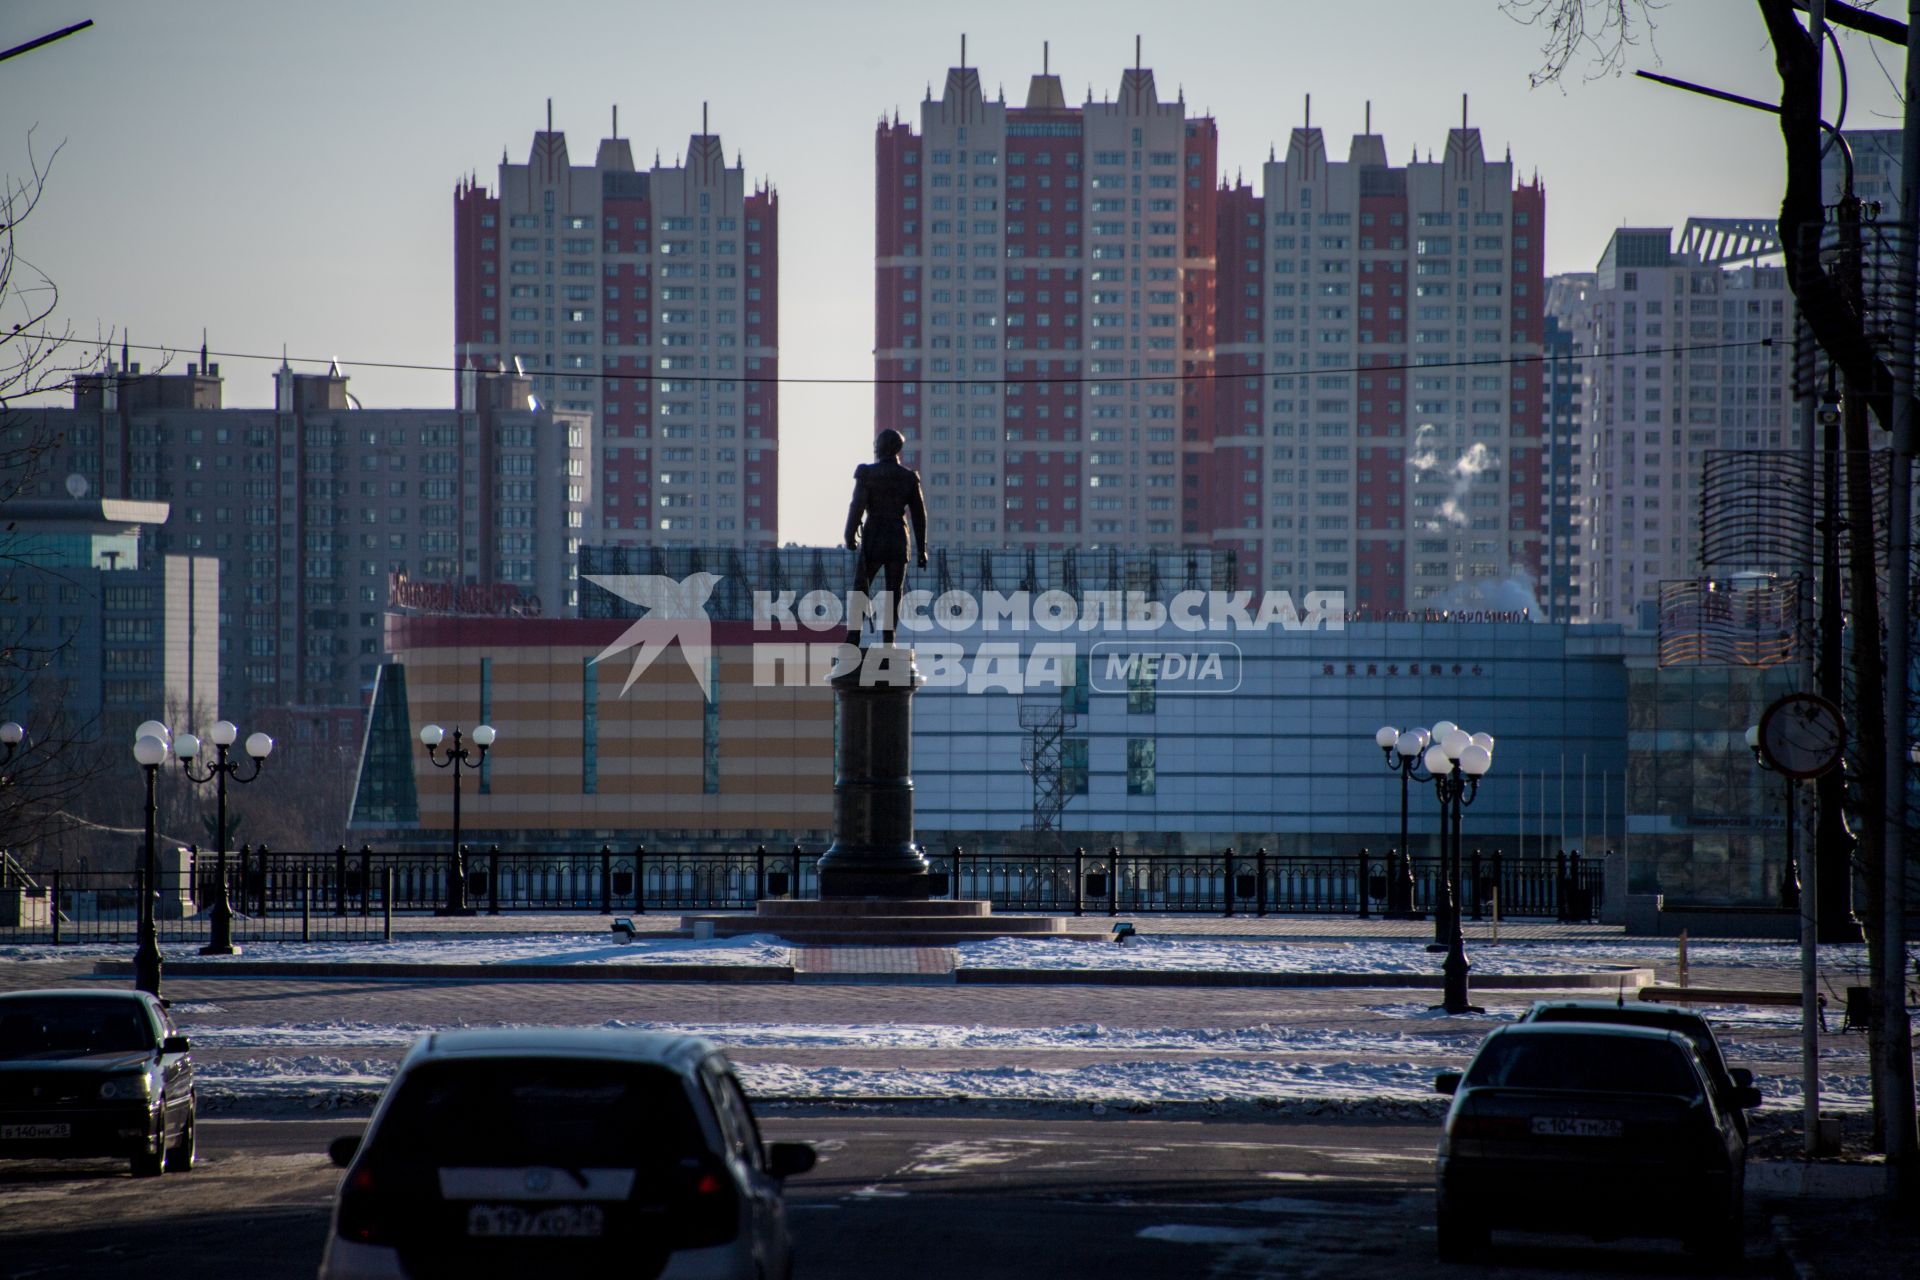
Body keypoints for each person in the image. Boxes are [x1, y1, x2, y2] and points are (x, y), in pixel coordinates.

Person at [843, 428, 928, 646]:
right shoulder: (909, 478)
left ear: (883, 446)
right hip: (899, 538)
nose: (874, 445)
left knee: (861, 586)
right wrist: (922, 550)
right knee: (893, 591)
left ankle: (854, 637)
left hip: (875, 536)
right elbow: (919, 516)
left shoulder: (867, 473)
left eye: (877, 442)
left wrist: (850, 533)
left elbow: (857, 505)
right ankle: (889, 639)